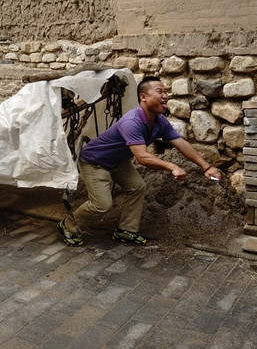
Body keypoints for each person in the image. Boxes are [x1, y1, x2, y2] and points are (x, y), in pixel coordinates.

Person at [57, 76, 222, 246]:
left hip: (118, 161)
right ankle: (68, 225)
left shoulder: (160, 121)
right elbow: (142, 157)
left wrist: (206, 167)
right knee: (102, 204)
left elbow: (180, 143)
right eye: (159, 91)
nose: (165, 95)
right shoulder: (132, 121)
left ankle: (126, 230)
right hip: (94, 161)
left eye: (166, 92)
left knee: (137, 187)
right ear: (143, 97)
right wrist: (172, 166)